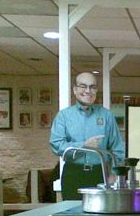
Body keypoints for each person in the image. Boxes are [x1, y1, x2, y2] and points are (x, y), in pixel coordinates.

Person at [50, 72, 125, 200]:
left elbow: (118, 148)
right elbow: (56, 145)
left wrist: (114, 173)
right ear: (75, 90)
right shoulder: (64, 116)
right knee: (73, 211)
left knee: (102, 212)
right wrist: (83, 145)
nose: (88, 91)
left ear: (96, 90)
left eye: (92, 87)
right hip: (73, 174)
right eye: (83, 86)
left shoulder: (107, 116)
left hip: (100, 174)